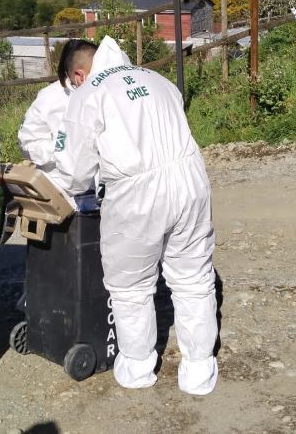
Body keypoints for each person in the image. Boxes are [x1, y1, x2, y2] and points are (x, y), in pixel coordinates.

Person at [48, 36, 218, 395]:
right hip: (190, 181)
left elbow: (74, 172)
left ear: (77, 75)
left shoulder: (88, 93)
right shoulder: (157, 79)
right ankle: (199, 371)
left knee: (131, 288)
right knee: (193, 277)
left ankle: (139, 368)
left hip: (136, 195)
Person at [17, 39, 98, 174]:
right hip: (62, 184)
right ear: (80, 76)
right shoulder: (49, 98)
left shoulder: (110, 91)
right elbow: (27, 143)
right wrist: (63, 148)